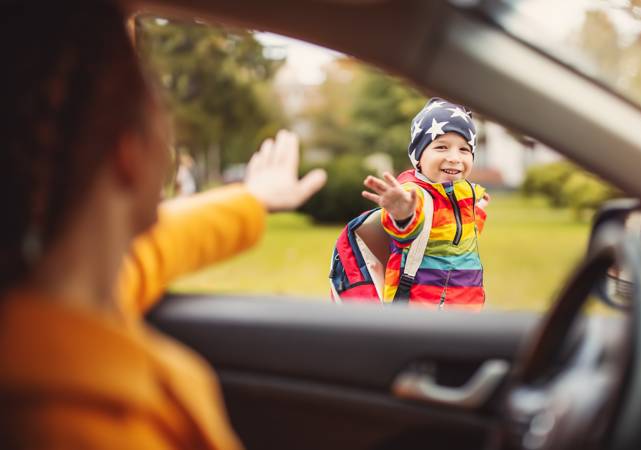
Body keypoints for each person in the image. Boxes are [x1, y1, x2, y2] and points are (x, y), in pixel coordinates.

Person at [0, 1, 326, 448]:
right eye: (152, 92)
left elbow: (160, 244)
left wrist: (253, 199)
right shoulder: (98, 432)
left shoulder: (55, 299)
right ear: (128, 151)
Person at [362, 97, 489, 310]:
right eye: (441, 147)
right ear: (418, 156)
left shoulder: (465, 192)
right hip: (420, 309)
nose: (454, 157)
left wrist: (477, 210)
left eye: (464, 149)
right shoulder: (413, 193)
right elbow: (405, 230)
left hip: (467, 305)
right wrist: (402, 214)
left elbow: (461, 234)